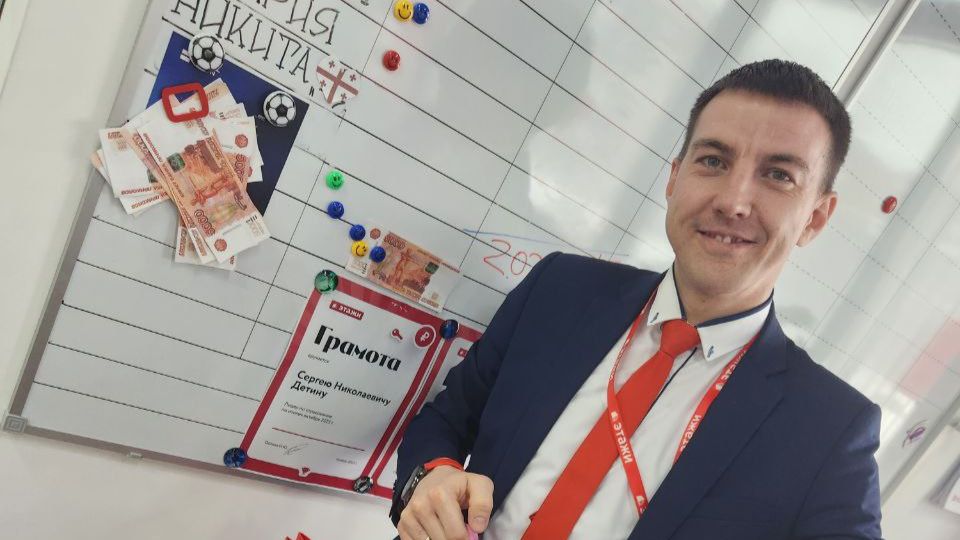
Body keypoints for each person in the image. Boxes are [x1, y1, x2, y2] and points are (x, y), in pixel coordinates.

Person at [389, 59, 882, 540]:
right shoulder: (559, 290)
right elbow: (446, 419)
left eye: (778, 175)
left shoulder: (831, 433)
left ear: (815, 218)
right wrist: (431, 478)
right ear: (674, 178)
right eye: (713, 161)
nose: (733, 201)